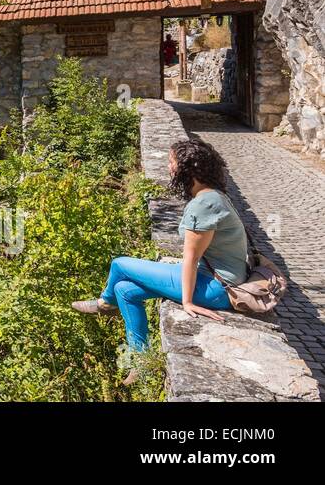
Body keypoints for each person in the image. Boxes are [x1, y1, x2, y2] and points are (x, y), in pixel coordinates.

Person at [71, 139, 248, 383]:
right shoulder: (213, 196)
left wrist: (186, 302)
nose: (169, 167)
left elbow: (191, 257)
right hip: (216, 280)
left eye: (172, 162)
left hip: (216, 288)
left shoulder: (204, 205)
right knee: (125, 290)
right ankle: (141, 363)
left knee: (120, 264)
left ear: (189, 169)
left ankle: (104, 304)